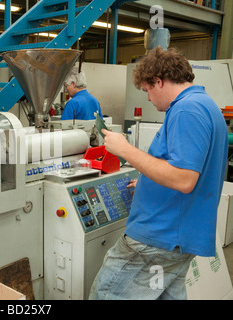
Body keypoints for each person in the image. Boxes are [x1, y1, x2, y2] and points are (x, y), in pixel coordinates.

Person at [89, 47, 228, 300]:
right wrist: (148, 183)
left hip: (157, 239)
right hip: (178, 236)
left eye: (147, 91)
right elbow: (186, 166)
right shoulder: (204, 105)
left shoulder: (187, 110)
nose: (149, 99)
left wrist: (125, 149)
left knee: (106, 294)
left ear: (159, 81)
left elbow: (185, 179)